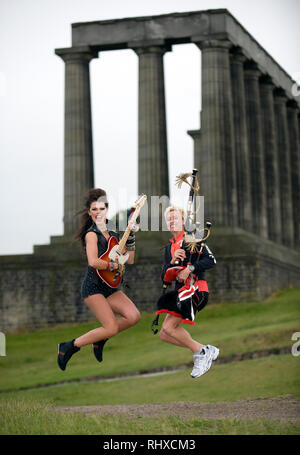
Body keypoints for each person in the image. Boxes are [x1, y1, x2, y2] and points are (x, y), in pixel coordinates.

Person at [57, 188, 141, 371]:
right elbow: (93, 262)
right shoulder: (91, 235)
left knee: (134, 316)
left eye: (101, 208)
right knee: (110, 328)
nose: (98, 212)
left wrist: (132, 236)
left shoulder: (113, 233)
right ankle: (69, 346)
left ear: (106, 209)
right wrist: (113, 266)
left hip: (110, 286)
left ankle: (100, 338)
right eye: (94, 209)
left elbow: (130, 259)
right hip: (93, 287)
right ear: (89, 212)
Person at [153, 205, 218, 378]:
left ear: (183, 221)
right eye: (169, 219)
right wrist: (172, 262)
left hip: (196, 290)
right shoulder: (169, 248)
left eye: (175, 218)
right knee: (165, 334)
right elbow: (165, 278)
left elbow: (211, 261)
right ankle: (204, 350)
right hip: (180, 293)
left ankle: (201, 352)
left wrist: (190, 268)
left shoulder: (192, 238)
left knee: (168, 327)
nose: (172, 221)